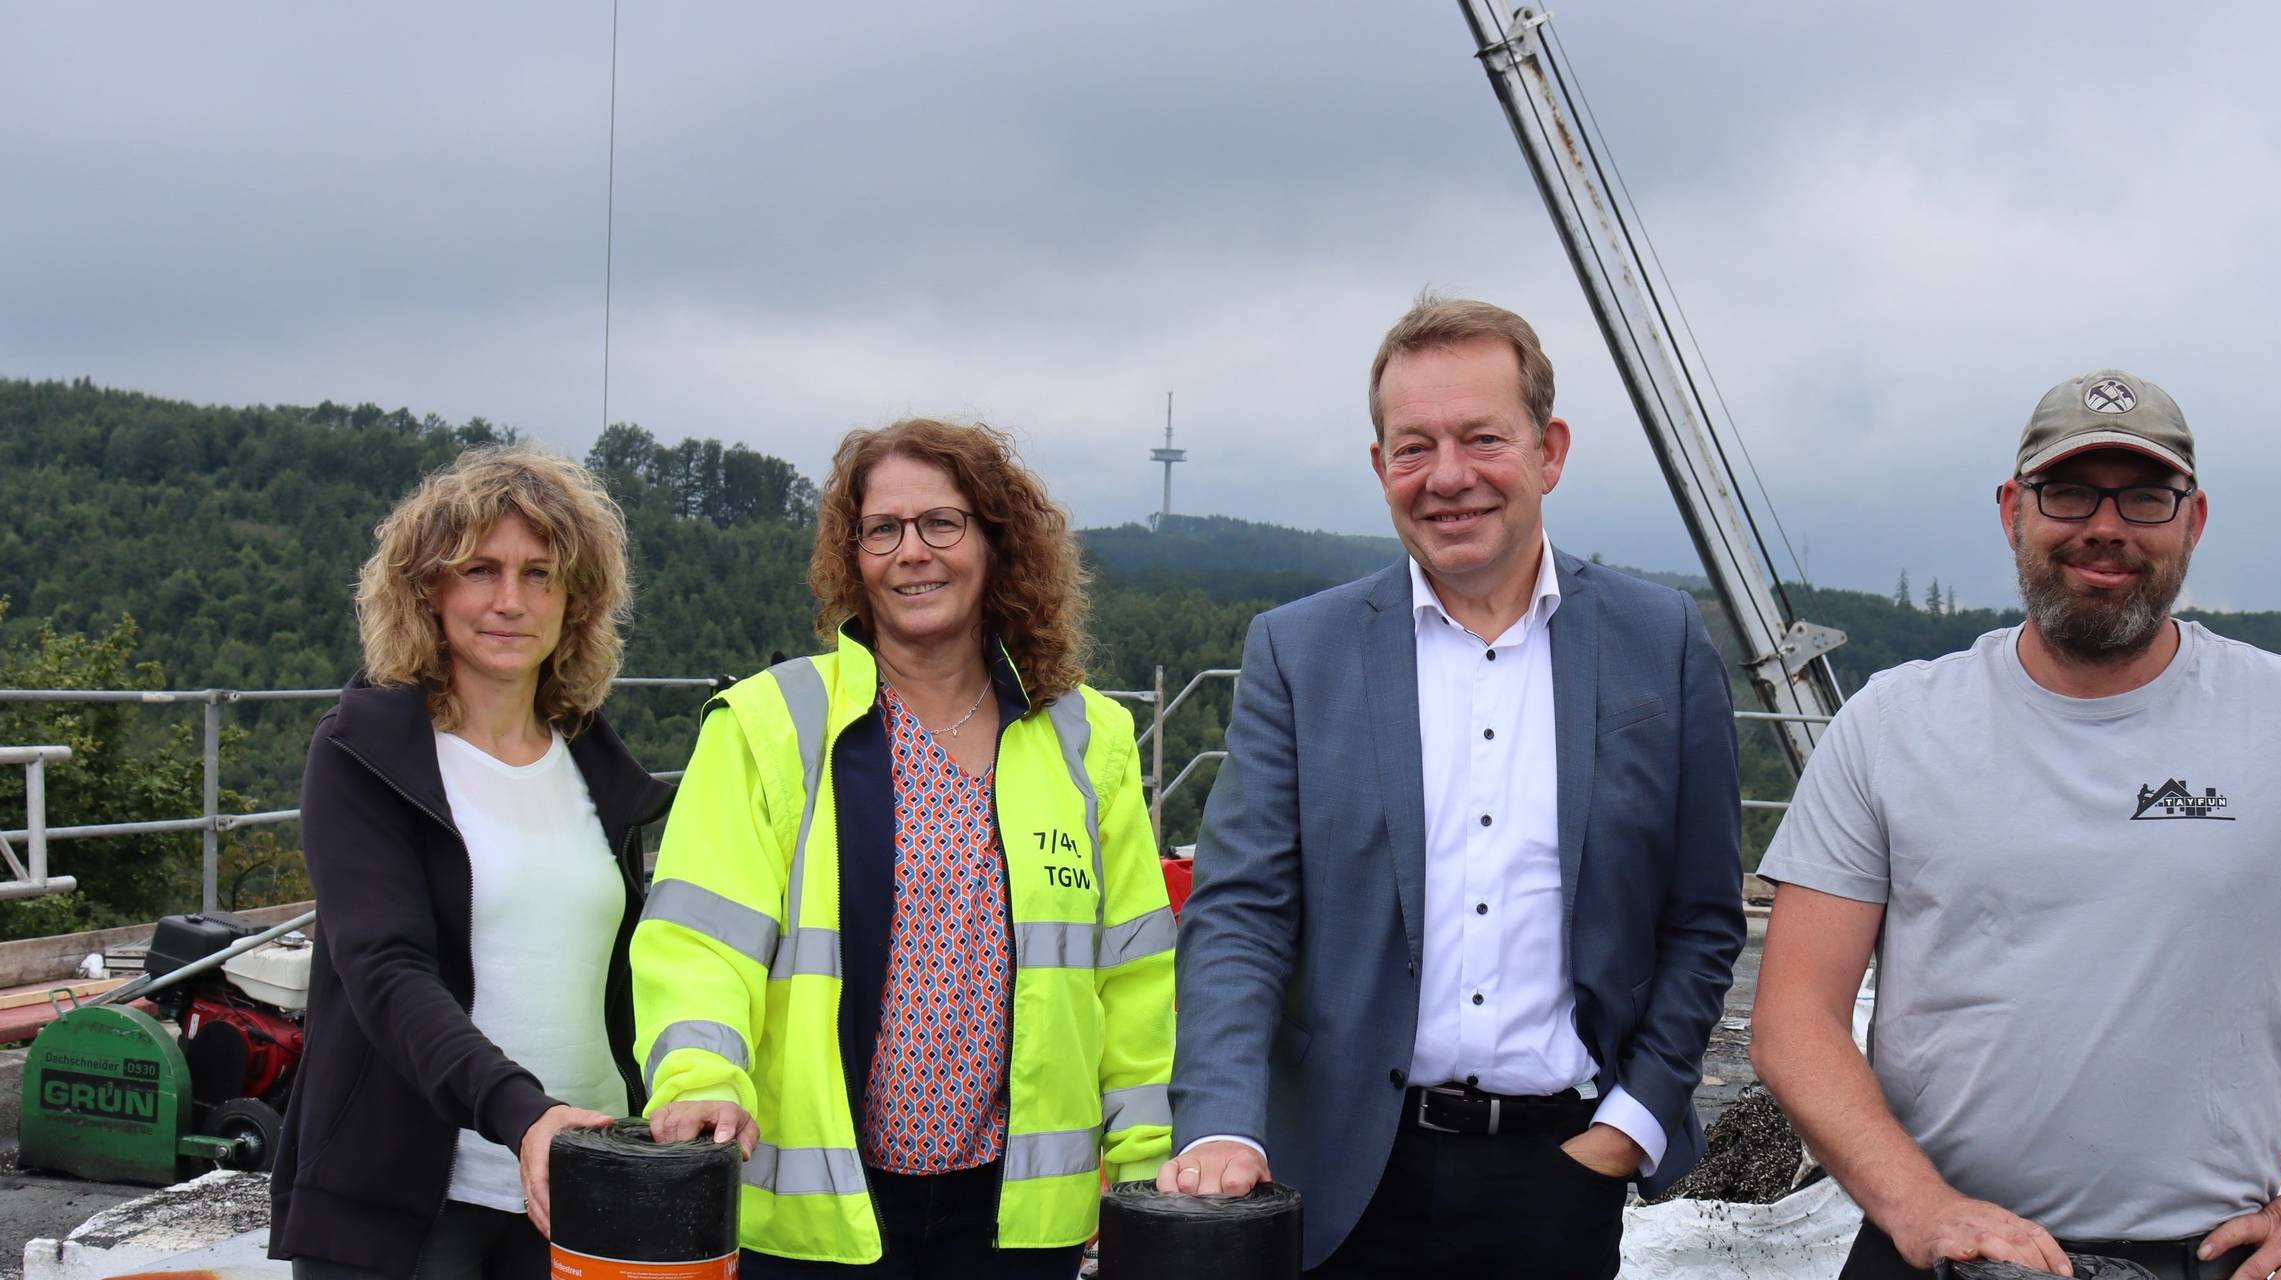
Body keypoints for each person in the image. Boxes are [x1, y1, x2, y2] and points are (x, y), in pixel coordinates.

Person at [1750, 370, 2281, 1280]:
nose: (2106, 526)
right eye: (2070, 491)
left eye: (2146, 497)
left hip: (2204, 1258)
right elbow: (1793, 1020)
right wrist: (1918, 1206)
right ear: (2013, 508)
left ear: (2192, 521)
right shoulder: (1892, 726)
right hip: (1937, 1251)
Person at [1162, 294, 1748, 1278]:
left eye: (1483, 437)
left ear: (1549, 449)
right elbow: (1241, 914)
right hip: (1344, 1171)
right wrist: (1224, 1122)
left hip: (1559, 1173)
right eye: (1412, 446)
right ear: (1379, 465)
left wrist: (1632, 1121)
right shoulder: (1299, 650)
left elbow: (1700, 916)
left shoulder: (1661, 643)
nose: (1448, 477)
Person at [634, 418, 1173, 1276]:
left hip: (1017, 1222)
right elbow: (700, 943)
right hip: (818, 1221)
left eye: (942, 524)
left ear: (998, 544)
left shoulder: (1087, 742)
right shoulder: (771, 726)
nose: (911, 551)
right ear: (853, 559)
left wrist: (1146, 1164)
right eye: (882, 530)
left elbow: (1136, 978)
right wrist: (700, 1079)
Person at [271, 447, 671, 1279]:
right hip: (414, 1196)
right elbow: (384, 969)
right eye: (480, 570)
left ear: (576, 600)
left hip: (585, 1183)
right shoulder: (366, 754)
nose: (510, 601)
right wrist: (522, 1115)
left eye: (540, 574)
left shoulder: (594, 764)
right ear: (428, 591)